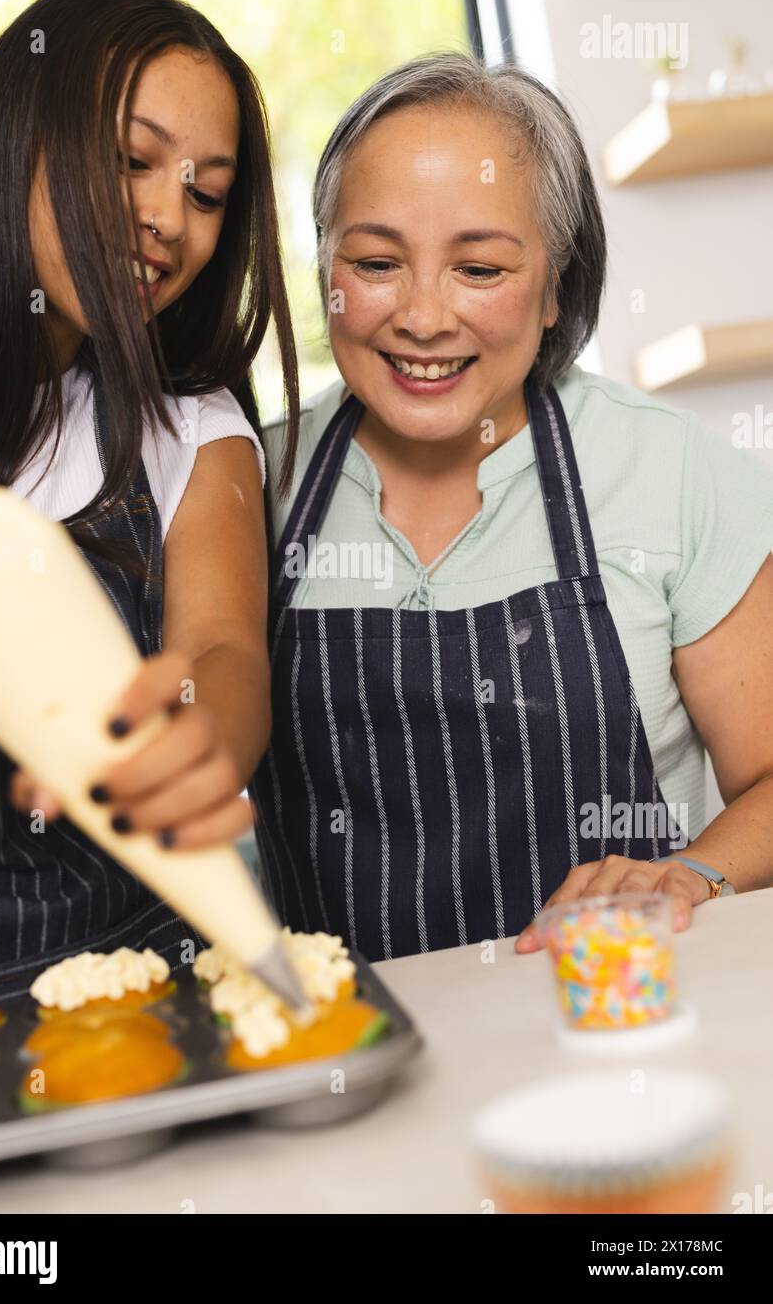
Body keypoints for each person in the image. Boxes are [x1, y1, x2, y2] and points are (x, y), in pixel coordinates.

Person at [252, 52, 773, 962]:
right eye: (376, 261)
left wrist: (693, 872)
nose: (421, 317)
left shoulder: (665, 465)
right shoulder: (248, 480)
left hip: (622, 1023)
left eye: (479, 270)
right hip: (351, 1058)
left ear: (556, 288)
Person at [0, 0, 298, 997]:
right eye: (133, 160)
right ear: (15, 134)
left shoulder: (189, 426)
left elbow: (221, 652)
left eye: (207, 192)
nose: (170, 217)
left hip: (141, 986)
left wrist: (196, 734)